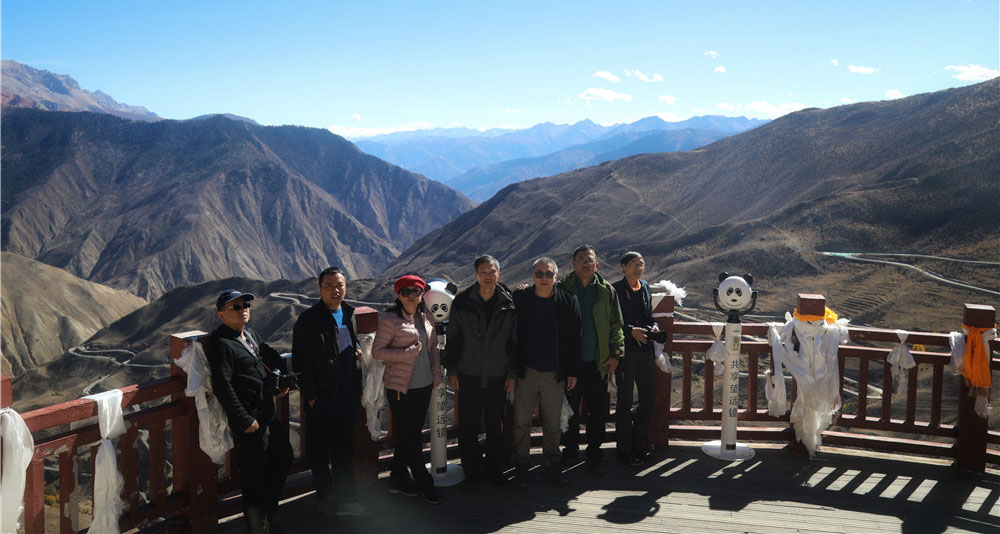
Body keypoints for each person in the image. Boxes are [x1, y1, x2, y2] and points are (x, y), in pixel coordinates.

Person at [207, 289, 293, 534]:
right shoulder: (221, 344)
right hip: (250, 422)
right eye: (235, 307)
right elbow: (222, 385)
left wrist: (283, 380)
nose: (243, 310)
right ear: (221, 315)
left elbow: (270, 356)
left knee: (283, 457)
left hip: (266, 414)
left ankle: (267, 516)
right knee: (254, 479)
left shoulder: (249, 335)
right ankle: (258, 528)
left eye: (245, 305)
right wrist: (244, 419)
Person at [292, 267, 371, 519]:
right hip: (322, 397)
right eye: (329, 286)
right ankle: (326, 499)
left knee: (344, 450)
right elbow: (300, 362)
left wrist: (356, 351)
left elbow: (345, 343)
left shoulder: (348, 313)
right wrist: (312, 397)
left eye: (340, 285)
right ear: (320, 289)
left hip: (346, 394)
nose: (335, 290)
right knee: (320, 451)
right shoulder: (309, 320)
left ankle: (346, 500)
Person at [443, 255, 517, 491]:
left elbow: (514, 342)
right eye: (483, 272)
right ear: (476, 275)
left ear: (499, 273)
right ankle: (472, 472)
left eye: (491, 271)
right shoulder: (463, 302)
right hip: (469, 373)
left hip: (497, 374)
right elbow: (453, 338)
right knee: (468, 426)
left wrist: (512, 374)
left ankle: (495, 470)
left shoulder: (509, 302)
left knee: (496, 426)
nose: (487, 276)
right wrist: (452, 370)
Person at [511, 257, 581, 487]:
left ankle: (552, 464)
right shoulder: (521, 299)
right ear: (532, 276)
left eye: (548, 274)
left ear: (556, 277)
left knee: (553, 423)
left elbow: (575, 339)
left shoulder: (567, 301)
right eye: (539, 274)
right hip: (526, 371)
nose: (544, 278)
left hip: (555, 372)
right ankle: (521, 465)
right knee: (521, 422)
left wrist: (572, 371)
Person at [373, 275, 443, 504]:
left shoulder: (426, 316)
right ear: (398, 295)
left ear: (422, 294)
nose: (411, 295)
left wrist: (436, 373)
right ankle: (425, 483)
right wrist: (406, 354)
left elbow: (433, 348)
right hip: (401, 388)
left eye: (416, 291)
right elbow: (377, 352)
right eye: (406, 291)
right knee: (412, 437)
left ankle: (396, 479)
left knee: (408, 434)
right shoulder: (389, 320)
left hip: (424, 384)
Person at [560, 245, 625, 475]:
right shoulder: (563, 289)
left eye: (589, 260)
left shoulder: (607, 291)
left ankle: (594, 454)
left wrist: (616, 354)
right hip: (571, 364)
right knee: (570, 411)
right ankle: (569, 452)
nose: (585, 263)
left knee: (597, 411)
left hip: (599, 362)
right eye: (581, 259)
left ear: (596, 265)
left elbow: (617, 324)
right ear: (573, 264)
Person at [611, 251, 658, 466]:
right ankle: (624, 449)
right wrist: (631, 331)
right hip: (626, 352)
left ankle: (639, 443)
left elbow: (648, 315)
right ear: (623, 267)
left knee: (649, 398)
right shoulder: (615, 290)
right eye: (633, 264)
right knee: (625, 401)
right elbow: (612, 321)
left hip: (645, 351)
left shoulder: (645, 286)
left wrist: (654, 326)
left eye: (641, 264)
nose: (638, 268)